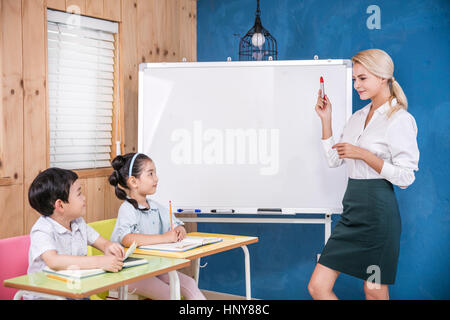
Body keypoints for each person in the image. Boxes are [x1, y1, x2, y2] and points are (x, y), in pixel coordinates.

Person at [308, 49, 420, 300]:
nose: (356, 85)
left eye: (362, 78)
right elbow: (334, 159)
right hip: (353, 208)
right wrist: (326, 119)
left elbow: (406, 177)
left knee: (373, 289)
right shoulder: (357, 118)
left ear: (383, 78)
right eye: (354, 80)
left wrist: (365, 155)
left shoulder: (399, 120)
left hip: (379, 212)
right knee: (318, 286)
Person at [109, 152, 206, 300]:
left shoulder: (155, 207)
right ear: (134, 182)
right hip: (127, 272)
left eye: (155, 173)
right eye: (150, 174)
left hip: (152, 268)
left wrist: (180, 230)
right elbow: (127, 239)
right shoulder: (127, 209)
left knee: (190, 284)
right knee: (169, 294)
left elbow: (178, 226)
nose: (156, 178)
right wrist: (164, 237)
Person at [27, 168, 125, 299]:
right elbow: (54, 261)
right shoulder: (42, 230)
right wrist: (99, 261)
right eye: (79, 194)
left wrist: (109, 247)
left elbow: (101, 242)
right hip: (48, 294)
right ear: (60, 205)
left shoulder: (78, 223)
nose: (84, 198)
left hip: (75, 289)